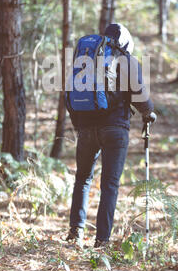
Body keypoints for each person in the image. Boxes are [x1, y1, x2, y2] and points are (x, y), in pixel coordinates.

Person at [66, 23, 156, 249]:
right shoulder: (125, 59)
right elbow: (140, 95)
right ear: (126, 41)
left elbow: (70, 93)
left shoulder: (86, 59)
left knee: (82, 179)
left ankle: (75, 232)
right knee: (109, 186)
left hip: (86, 128)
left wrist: (80, 125)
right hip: (114, 129)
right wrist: (149, 112)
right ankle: (102, 241)